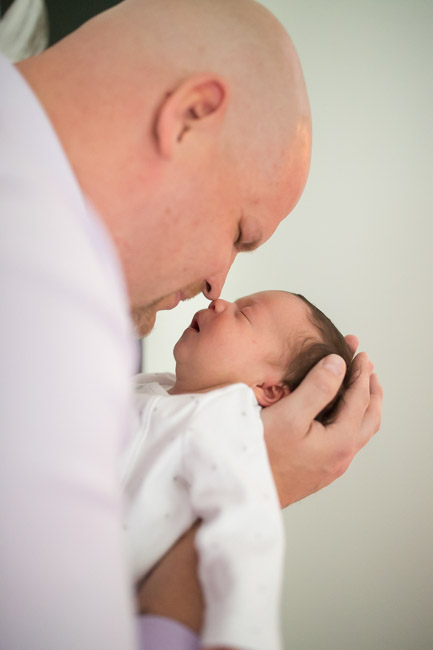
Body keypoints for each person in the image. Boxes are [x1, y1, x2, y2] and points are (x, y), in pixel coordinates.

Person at [0, 0, 382, 648]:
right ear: (190, 116)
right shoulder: (55, 310)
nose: (216, 284)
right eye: (238, 233)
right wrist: (269, 480)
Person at [123, 290, 353, 650]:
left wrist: (240, 636)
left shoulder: (230, 424)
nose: (219, 302)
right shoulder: (157, 385)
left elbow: (244, 528)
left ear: (269, 390)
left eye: (244, 315)